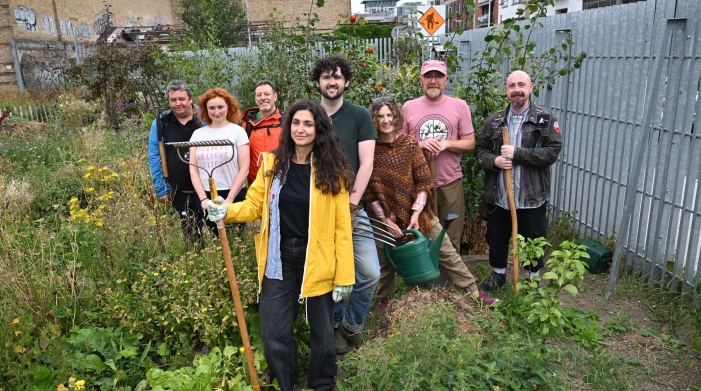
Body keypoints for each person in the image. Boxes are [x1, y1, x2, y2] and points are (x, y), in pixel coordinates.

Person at [206, 99, 355, 391]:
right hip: (279, 256)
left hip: (318, 259)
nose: (301, 129)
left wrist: (344, 276)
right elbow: (253, 205)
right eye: (296, 123)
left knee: (323, 335)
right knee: (274, 331)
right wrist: (227, 210)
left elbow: (342, 229)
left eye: (308, 124)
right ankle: (286, 384)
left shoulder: (331, 171)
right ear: (288, 127)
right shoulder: (273, 163)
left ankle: (322, 385)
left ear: (319, 129)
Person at [366, 97, 498, 306]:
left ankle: (474, 293)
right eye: (380, 116)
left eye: (389, 115)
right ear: (373, 119)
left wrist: (416, 214)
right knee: (385, 261)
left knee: (446, 251)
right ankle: (385, 303)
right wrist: (385, 220)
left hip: (419, 214)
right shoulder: (369, 149)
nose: (385, 120)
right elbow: (369, 191)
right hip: (384, 219)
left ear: (396, 117)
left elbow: (424, 183)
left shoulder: (409, 145)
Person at [310, 55, 380, 353]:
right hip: (317, 210)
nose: (332, 81)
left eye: (337, 76)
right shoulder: (308, 115)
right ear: (317, 83)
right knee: (329, 275)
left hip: (352, 206)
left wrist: (352, 204)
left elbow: (366, 164)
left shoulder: (359, 115)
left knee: (370, 273)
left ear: (346, 82)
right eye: (326, 77)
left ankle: (350, 326)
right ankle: (334, 331)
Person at [475, 70, 563, 291]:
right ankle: (498, 275)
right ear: (506, 90)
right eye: (512, 85)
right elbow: (480, 151)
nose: (517, 90)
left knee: (533, 239)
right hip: (500, 196)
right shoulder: (495, 120)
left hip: (531, 196)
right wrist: (495, 161)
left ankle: (532, 281)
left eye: (521, 85)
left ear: (531, 87)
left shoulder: (545, 120)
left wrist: (518, 154)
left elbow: (552, 153)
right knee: (496, 237)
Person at [402, 60, 476, 254]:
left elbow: (470, 143)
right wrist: (419, 145)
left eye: (438, 76)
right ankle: (427, 281)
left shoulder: (459, 106)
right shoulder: (409, 107)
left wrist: (446, 144)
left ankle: (451, 281)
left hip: (449, 181)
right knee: (423, 232)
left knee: (451, 233)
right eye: (428, 76)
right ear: (420, 80)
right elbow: (398, 146)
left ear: (446, 80)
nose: (433, 81)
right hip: (418, 184)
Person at [148, 80, 205, 244]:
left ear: (190, 99)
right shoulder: (161, 123)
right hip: (180, 191)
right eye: (173, 100)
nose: (178, 104)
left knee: (219, 230)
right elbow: (155, 156)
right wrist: (161, 189)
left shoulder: (205, 118)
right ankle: (199, 263)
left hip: (209, 188)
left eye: (182, 99)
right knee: (192, 236)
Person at [190, 87, 250, 235]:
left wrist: (229, 200)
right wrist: (203, 199)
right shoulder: (198, 135)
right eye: (211, 108)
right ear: (205, 109)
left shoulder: (237, 132)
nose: (216, 112)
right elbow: (193, 169)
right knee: (216, 239)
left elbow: (244, 169)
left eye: (220, 107)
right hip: (207, 194)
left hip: (233, 193)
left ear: (228, 106)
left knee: (235, 240)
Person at [241, 80, 285, 185]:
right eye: (259, 95)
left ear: (275, 96)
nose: (263, 98)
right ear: (255, 99)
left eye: (267, 94)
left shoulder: (287, 121)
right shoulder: (247, 125)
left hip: (283, 184)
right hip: (256, 186)